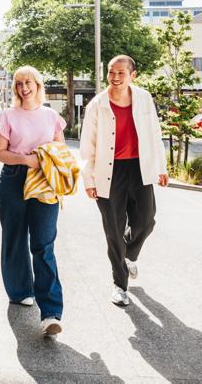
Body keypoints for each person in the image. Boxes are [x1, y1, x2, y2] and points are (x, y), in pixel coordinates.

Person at [80, 55, 169, 307]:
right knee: (114, 231)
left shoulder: (144, 98)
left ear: (133, 75)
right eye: (111, 73)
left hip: (140, 168)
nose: (115, 78)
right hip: (109, 172)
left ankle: (130, 255)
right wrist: (89, 179)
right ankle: (120, 285)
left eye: (121, 73)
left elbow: (154, 134)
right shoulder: (97, 104)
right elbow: (88, 145)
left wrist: (161, 167)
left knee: (146, 220)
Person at [0, 65, 66, 337]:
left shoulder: (52, 117)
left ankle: (51, 313)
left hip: (45, 181)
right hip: (13, 179)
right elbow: (0, 153)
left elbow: (61, 151)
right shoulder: (6, 116)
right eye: (19, 83)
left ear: (37, 84)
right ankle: (21, 290)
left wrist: (45, 160)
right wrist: (25, 159)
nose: (23, 87)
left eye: (28, 82)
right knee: (15, 238)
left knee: (44, 244)